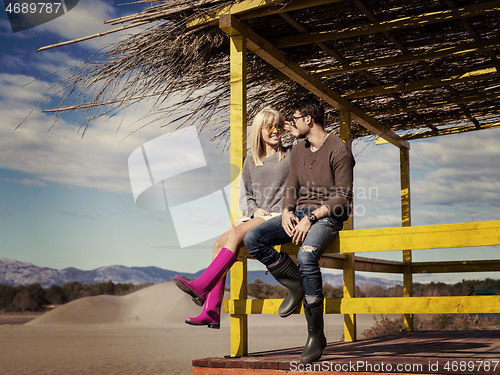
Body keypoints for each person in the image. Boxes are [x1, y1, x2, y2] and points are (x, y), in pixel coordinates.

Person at [244, 97, 355, 364]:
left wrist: (312, 217)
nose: (290, 124)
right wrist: (286, 211)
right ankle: (295, 284)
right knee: (253, 238)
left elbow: (343, 197)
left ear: (309, 119)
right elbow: (291, 186)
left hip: (327, 217)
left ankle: (315, 335)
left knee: (306, 256)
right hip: (299, 213)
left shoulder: (339, 150)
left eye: (293, 119)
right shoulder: (298, 149)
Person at [173, 107, 300, 329]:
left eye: (279, 125)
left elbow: (311, 147)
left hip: (281, 214)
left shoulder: (291, 154)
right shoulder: (250, 162)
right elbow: (247, 195)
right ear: (259, 131)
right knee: (218, 243)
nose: (275, 131)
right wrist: (254, 211)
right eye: (269, 126)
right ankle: (211, 311)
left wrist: (296, 132)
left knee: (235, 233)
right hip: (259, 215)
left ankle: (202, 285)